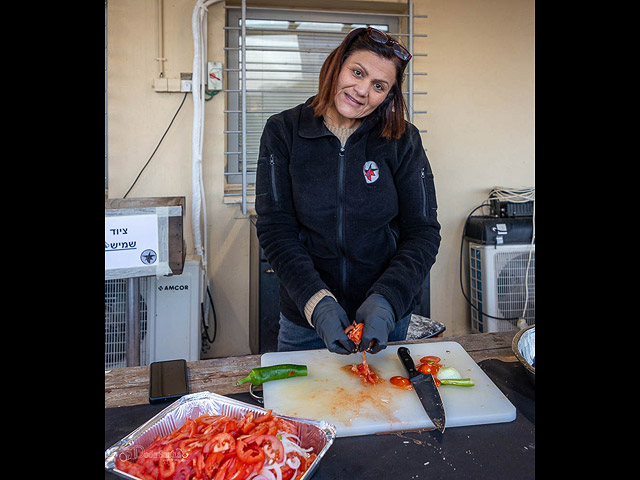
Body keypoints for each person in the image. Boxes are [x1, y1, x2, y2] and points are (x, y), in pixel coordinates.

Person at [255, 27, 441, 355]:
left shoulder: (403, 141)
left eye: (378, 86)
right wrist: (317, 303)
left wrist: (387, 299)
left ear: (388, 94)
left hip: (386, 320)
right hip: (305, 320)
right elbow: (276, 230)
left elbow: (423, 233)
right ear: (336, 66)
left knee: (385, 405)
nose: (361, 90)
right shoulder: (283, 131)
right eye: (357, 72)